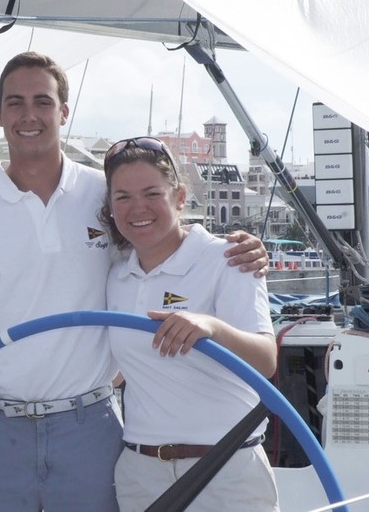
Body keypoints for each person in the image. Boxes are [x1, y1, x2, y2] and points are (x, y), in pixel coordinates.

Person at [0, 51, 267, 511]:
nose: (29, 115)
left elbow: (163, 236)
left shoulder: (106, 193)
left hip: (89, 427)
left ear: (64, 112)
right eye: (15, 103)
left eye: (43, 101)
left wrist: (241, 248)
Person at [101, 136, 278, 511]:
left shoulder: (227, 258)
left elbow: (266, 360)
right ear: (110, 207)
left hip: (226, 469)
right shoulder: (115, 275)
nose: (138, 208)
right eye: (123, 197)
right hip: (140, 473)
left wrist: (210, 327)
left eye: (152, 193)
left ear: (180, 197)